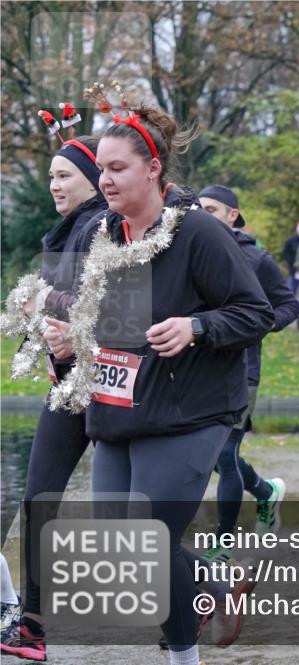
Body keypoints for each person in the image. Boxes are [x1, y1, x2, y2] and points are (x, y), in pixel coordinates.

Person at [41, 100, 273, 665]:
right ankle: (217, 587)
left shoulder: (197, 233)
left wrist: (198, 325)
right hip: (122, 407)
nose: (105, 179)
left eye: (117, 168)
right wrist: (76, 337)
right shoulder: (103, 232)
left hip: (192, 410)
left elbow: (256, 311)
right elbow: (118, 320)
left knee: (146, 538)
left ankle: (183, 658)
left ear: (152, 170)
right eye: (101, 169)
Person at [0, 131, 106, 663]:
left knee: (120, 517)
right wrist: (43, 335)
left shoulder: (99, 227)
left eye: (63, 175)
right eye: (49, 176)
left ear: (93, 177)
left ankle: (207, 591)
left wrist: (62, 323)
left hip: (107, 386)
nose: (52, 185)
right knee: (40, 498)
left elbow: (109, 308)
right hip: (70, 385)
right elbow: (61, 307)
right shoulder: (68, 230)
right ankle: (31, 627)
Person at [198, 185, 298, 561]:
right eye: (198, 208)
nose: (202, 214)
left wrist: (258, 324)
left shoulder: (256, 259)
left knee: (224, 455)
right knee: (207, 455)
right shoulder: (191, 249)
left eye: (211, 209)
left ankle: (224, 545)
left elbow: (289, 306)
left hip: (242, 371)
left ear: (232, 216)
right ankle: (265, 492)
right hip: (198, 368)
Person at [282, 220, 299, 300]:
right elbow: (285, 254)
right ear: (297, 230)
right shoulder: (290, 241)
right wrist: (292, 263)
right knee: (291, 289)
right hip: (293, 270)